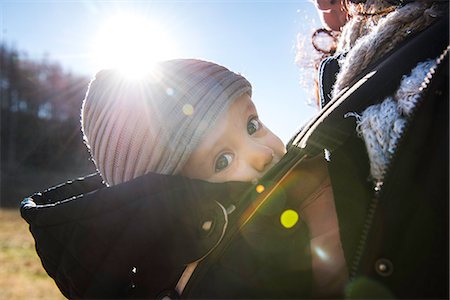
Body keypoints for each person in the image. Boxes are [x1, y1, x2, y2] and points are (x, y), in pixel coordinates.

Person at [21, 0, 448, 298]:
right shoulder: (225, 266)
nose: (260, 152)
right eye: (222, 160)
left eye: (251, 124)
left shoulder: (295, 183)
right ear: (175, 194)